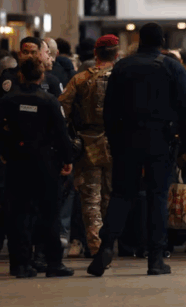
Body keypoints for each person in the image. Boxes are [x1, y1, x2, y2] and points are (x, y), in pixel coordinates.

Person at [87, 23, 186, 277]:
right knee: (157, 196)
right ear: (161, 41)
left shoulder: (122, 66)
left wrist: (115, 140)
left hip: (126, 140)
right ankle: (156, 259)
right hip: (160, 139)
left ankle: (105, 248)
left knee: (121, 194)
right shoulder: (171, 66)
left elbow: (109, 109)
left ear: (139, 40)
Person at [1, 57, 74, 278]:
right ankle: (53, 262)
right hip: (45, 162)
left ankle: (20, 264)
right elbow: (61, 133)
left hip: (15, 161)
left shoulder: (7, 100)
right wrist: (67, 159)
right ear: (42, 75)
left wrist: (5, 154)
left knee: (18, 212)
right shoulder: (49, 101)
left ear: (20, 74)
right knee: (49, 212)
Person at [58, 35, 119, 257]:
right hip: (118, 144)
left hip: (88, 144)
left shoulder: (79, 79)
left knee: (90, 197)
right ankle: (111, 244)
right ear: (117, 54)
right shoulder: (122, 79)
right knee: (112, 196)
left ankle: (96, 247)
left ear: (96, 54)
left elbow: (61, 111)